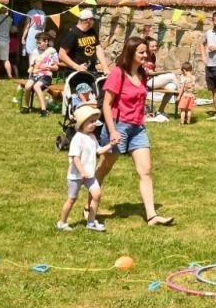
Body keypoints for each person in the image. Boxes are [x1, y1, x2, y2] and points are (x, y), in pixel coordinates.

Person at [96, 36, 174, 226]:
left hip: (138, 128)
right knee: (105, 168)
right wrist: (113, 131)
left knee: (145, 171)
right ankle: (90, 202)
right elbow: (106, 105)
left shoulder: (142, 74)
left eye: (145, 52)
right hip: (118, 126)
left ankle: (151, 215)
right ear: (131, 53)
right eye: (141, 52)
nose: (145, 55)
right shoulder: (118, 73)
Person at [57, 105, 106, 232]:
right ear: (82, 124)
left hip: (89, 175)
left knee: (97, 194)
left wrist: (111, 144)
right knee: (72, 199)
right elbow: (75, 158)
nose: (94, 124)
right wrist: (82, 171)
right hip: (76, 175)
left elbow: (99, 150)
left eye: (94, 122)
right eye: (91, 122)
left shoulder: (92, 137)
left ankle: (90, 221)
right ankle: (62, 222)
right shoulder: (77, 139)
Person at [21, 30, 58, 114]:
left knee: (36, 86)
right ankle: (27, 107)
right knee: (27, 86)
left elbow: (56, 67)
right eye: (37, 43)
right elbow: (32, 66)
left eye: (39, 43)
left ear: (46, 42)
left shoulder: (52, 51)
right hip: (36, 75)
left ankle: (43, 109)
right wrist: (31, 68)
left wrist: (49, 67)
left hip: (46, 75)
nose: (38, 45)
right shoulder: (34, 52)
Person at [140, 31, 173, 121]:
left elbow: (153, 70)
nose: (155, 48)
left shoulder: (153, 56)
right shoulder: (143, 56)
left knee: (172, 87)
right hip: (146, 81)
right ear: (146, 47)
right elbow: (144, 71)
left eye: (155, 46)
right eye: (152, 46)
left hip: (153, 79)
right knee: (171, 76)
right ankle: (181, 94)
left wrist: (157, 73)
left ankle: (160, 110)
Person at [57, 8, 101, 75]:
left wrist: (105, 67)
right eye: (93, 20)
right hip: (75, 73)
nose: (94, 22)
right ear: (88, 20)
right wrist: (77, 67)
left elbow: (98, 49)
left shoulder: (92, 31)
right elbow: (61, 54)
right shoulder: (72, 33)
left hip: (91, 71)